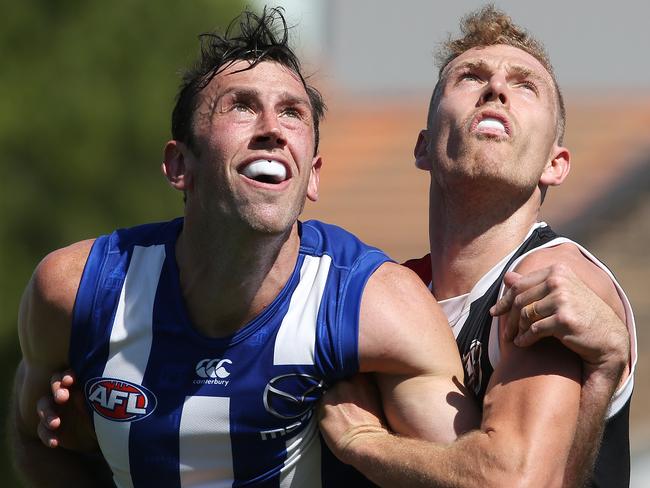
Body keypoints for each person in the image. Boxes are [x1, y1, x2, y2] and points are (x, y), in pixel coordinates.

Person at [9, 8, 481, 487]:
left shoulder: (375, 307)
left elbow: (472, 477)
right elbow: (31, 438)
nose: (272, 128)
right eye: (241, 106)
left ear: (313, 174)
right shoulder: (76, 290)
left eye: (292, 112)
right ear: (179, 165)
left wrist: (368, 445)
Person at [319, 5, 635, 487]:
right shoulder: (389, 291)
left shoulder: (550, 276)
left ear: (557, 164)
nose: (496, 89)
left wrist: (368, 444)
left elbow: (516, 481)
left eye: (525, 85)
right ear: (423, 147)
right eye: (470, 77)